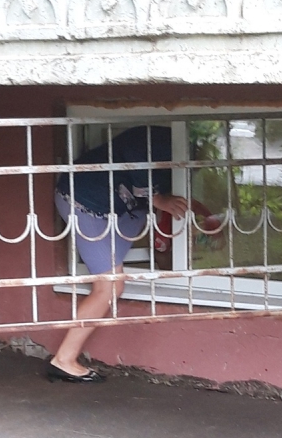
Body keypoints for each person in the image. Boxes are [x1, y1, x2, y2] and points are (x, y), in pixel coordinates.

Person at [48, 125, 188, 383]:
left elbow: (165, 200)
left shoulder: (176, 151)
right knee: (110, 286)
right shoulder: (158, 138)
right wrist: (157, 199)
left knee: (116, 271)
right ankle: (64, 360)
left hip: (114, 209)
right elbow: (136, 152)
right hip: (83, 202)